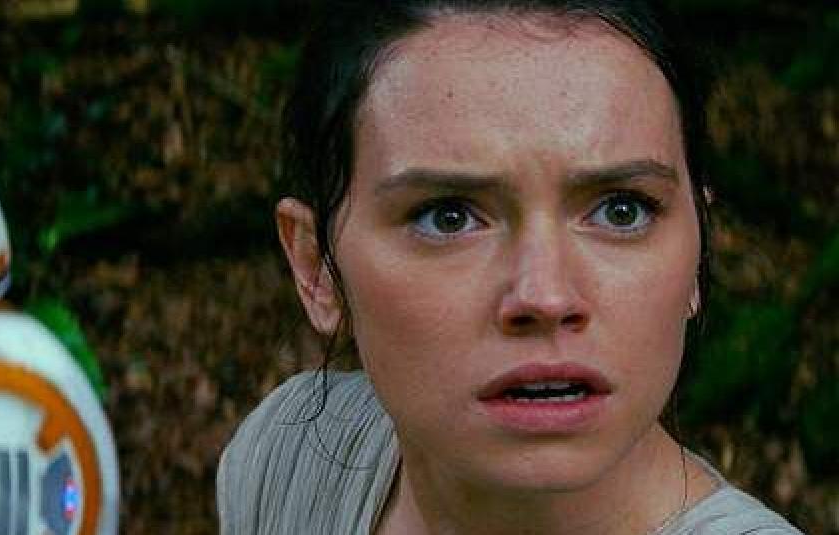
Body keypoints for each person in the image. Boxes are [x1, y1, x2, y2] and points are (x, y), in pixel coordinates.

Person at [216, 1, 805, 533]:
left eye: (622, 210)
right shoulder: (286, 456)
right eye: (448, 217)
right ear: (316, 267)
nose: (545, 297)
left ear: (699, 248)